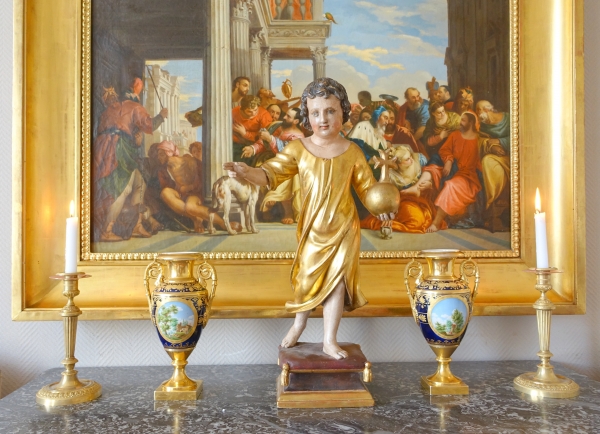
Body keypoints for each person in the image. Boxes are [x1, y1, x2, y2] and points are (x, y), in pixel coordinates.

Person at [223, 78, 395, 359]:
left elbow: (367, 190)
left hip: (343, 228)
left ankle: (329, 340)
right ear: (307, 115)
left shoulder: (352, 152)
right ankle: (299, 324)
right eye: (315, 113)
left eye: (330, 111)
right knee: (306, 280)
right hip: (313, 229)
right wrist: (244, 172)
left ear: (343, 113)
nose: (323, 119)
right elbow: (268, 175)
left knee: (336, 283)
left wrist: (382, 206)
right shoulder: (298, 149)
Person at [93, 86, 167, 241]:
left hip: (106, 149)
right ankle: (107, 230)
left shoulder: (109, 110)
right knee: (123, 188)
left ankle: (136, 224)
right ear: (134, 98)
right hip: (117, 149)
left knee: (140, 181)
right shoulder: (134, 107)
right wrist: (161, 116)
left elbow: (119, 130)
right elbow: (149, 125)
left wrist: (134, 140)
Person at [155, 141, 237, 234]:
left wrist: (189, 187)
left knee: (190, 207)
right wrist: (180, 189)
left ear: (168, 153)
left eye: (161, 154)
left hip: (194, 193)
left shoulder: (188, 160)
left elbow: (202, 179)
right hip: (180, 195)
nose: (158, 157)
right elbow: (166, 186)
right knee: (165, 193)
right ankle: (196, 218)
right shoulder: (163, 170)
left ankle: (222, 223)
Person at [422, 112, 483, 232]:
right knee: (433, 174)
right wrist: (449, 160)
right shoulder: (455, 135)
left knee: (450, 185)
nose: (460, 122)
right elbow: (444, 150)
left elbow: (481, 162)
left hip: (469, 177)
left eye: (464, 120)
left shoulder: (479, 140)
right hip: (454, 171)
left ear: (471, 122)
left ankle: (436, 223)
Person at [361, 145, 442, 233]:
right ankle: (392, 224)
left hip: (423, 200)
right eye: (407, 159)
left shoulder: (419, 160)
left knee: (425, 219)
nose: (411, 160)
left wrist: (429, 185)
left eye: (410, 156)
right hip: (402, 202)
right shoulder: (393, 176)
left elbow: (432, 175)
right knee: (416, 221)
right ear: (398, 164)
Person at [255, 107, 306, 224]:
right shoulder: (278, 126)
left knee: (290, 177)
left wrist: (270, 138)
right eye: (285, 115)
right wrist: (252, 148)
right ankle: (266, 209)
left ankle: (287, 211)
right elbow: (262, 143)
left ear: (296, 122)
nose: (284, 117)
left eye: (288, 116)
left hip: (289, 164)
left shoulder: (299, 136)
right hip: (273, 161)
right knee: (260, 169)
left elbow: (287, 152)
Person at [476, 100, 511, 209]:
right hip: (497, 156)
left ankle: (502, 198)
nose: (478, 113)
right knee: (487, 161)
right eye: (477, 110)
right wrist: (492, 146)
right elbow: (481, 140)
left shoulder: (508, 119)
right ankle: (493, 200)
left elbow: (520, 137)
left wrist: (500, 141)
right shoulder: (484, 126)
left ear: (488, 109)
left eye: (480, 109)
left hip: (511, 157)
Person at [232, 95, 273, 165]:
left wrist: (245, 134)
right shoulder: (234, 112)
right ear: (242, 109)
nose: (253, 113)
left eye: (255, 110)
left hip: (256, 146)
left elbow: (265, 136)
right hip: (236, 144)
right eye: (249, 111)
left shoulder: (264, 115)